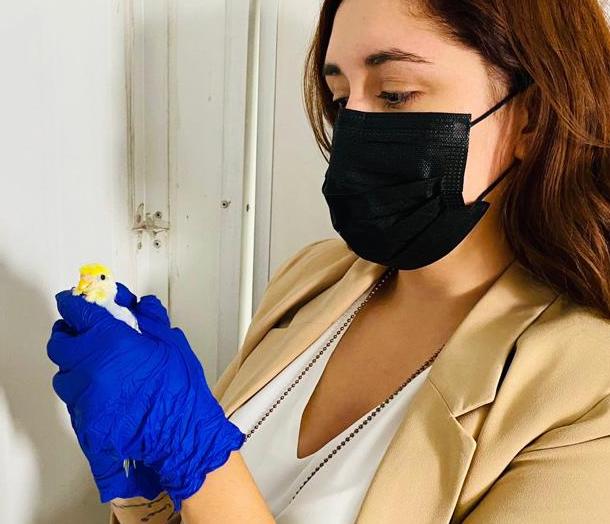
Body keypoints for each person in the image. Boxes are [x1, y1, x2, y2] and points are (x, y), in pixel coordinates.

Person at [47, 0, 610, 522]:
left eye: (395, 94)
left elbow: (210, 478)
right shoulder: (314, 277)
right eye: (341, 98)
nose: (354, 127)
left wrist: (194, 454)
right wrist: (145, 479)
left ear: (531, 117)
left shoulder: (590, 394)